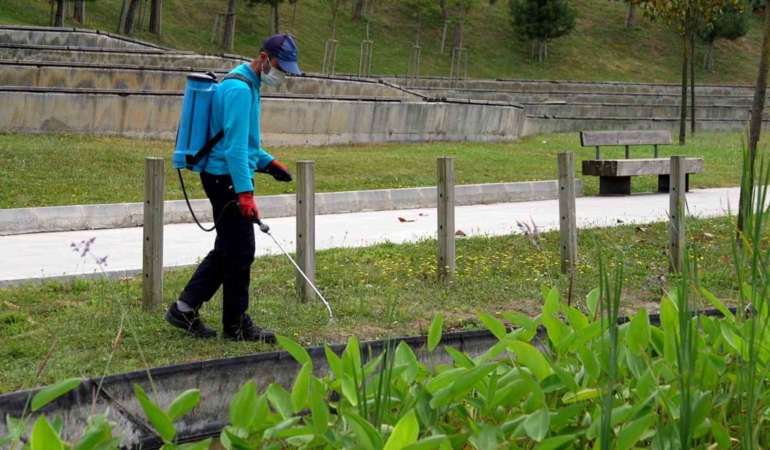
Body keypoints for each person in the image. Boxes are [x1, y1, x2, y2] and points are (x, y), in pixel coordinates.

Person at [164, 34, 301, 342]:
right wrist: (245, 194)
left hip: (223, 175)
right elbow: (235, 149)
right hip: (224, 178)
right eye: (281, 66)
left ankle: (184, 308)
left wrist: (268, 163)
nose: (284, 74)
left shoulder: (248, 84)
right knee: (241, 252)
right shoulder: (239, 89)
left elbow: (243, 141)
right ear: (264, 57)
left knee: (228, 249)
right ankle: (237, 326)